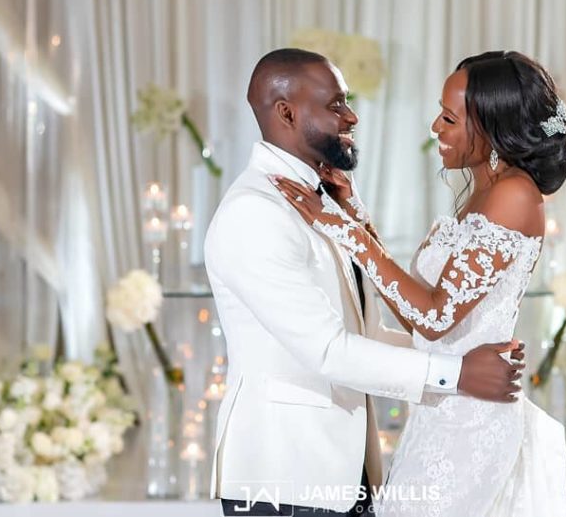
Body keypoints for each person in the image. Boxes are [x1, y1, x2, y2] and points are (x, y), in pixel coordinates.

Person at [205, 48, 526, 516]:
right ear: (287, 113)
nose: (352, 116)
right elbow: (330, 350)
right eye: (335, 105)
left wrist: (461, 363)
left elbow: (366, 333)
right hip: (285, 480)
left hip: (341, 477)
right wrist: (457, 375)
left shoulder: (321, 201)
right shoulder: (255, 212)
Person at [273, 50, 566, 517]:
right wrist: (354, 215)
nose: (436, 127)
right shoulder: (483, 191)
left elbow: (434, 318)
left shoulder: (515, 194)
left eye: (450, 117)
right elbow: (416, 314)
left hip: (474, 417)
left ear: (491, 129)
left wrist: (343, 230)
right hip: (444, 408)